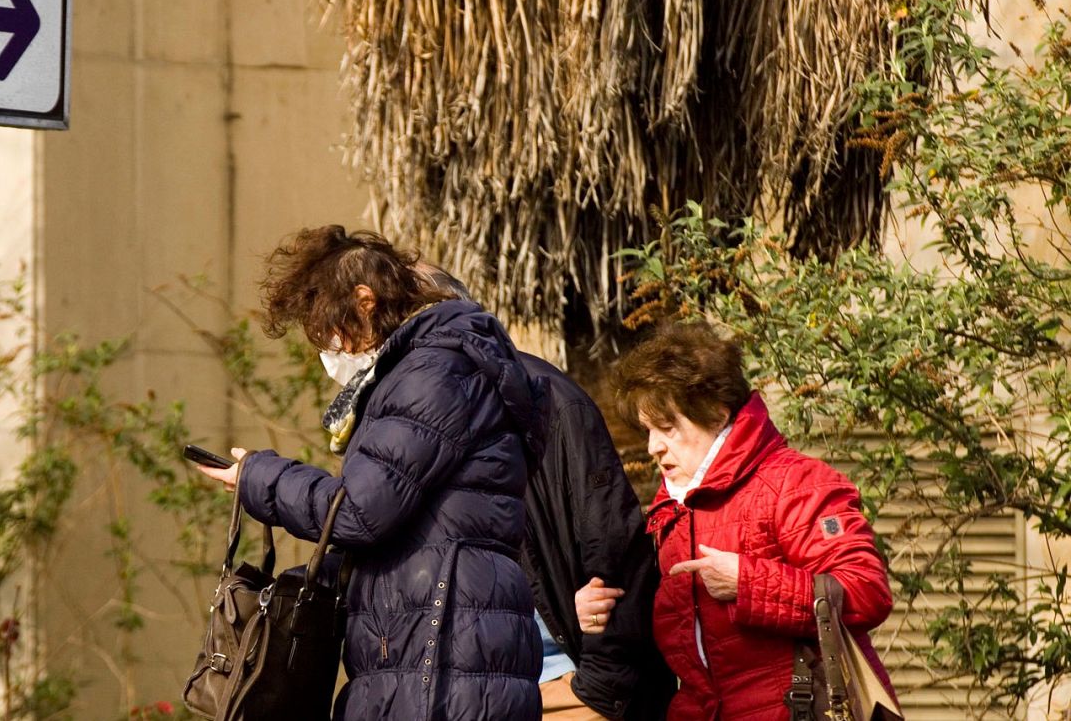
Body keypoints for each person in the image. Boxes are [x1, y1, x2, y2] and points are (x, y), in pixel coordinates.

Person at [195, 226, 543, 720]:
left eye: (330, 329)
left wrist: (260, 476)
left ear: (364, 301)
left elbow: (361, 510)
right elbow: (407, 522)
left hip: (443, 644)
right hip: (433, 631)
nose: (329, 348)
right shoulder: (429, 369)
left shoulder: (431, 372)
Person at [594, 321, 897, 721]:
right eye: (649, 430)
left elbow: (866, 593)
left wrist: (748, 583)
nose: (653, 447)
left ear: (717, 416)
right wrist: (602, 609)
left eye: (667, 428)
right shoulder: (672, 513)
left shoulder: (796, 482)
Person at [418, 265, 674, 721]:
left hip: (559, 683)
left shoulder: (547, 399)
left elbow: (611, 547)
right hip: (470, 691)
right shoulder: (411, 424)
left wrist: (598, 686)